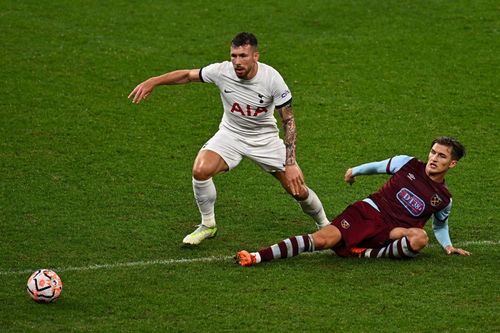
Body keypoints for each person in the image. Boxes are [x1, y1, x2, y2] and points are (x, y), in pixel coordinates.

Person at [128, 32, 330, 245]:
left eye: (243, 56)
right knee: (200, 170)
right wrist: (154, 81)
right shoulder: (221, 71)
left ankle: (325, 225)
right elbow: (188, 75)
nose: (237, 62)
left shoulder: (272, 79)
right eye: (234, 56)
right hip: (231, 135)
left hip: (265, 140)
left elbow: (288, 122)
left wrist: (290, 163)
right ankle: (208, 225)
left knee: (297, 190)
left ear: (255, 56)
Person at [236, 136, 471, 266]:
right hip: (369, 213)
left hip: (393, 232)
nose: (433, 158)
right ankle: (257, 256)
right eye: (433, 152)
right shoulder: (407, 164)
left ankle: (368, 253)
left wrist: (448, 246)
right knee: (322, 240)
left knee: (419, 238)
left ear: (452, 164)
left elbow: (440, 225)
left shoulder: (443, 199)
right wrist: (354, 171)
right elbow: (379, 166)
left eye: (441, 156)